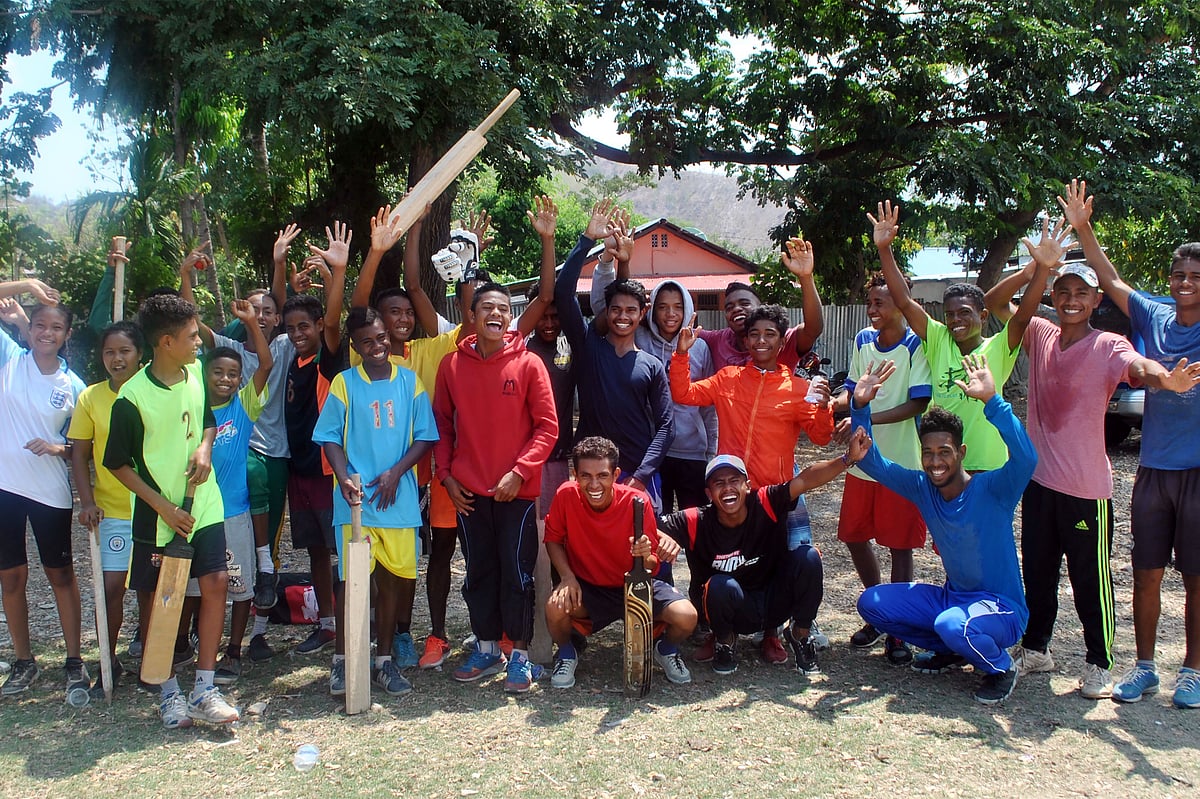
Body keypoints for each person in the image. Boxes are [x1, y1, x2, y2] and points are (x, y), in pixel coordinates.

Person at [985, 211, 1200, 699]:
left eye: (1082, 293)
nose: (1071, 300)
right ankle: (1037, 649)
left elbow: (1140, 367)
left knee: (1090, 579)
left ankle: (1099, 661)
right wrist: (1037, 268)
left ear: (1096, 300)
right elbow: (995, 303)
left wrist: (1167, 378)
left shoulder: (1109, 343)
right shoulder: (1038, 332)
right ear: (1053, 297)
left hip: (1087, 488)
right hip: (1039, 481)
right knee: (1036, 569)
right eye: (1063, 291)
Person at [1058, 179, 1200, 709]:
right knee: (1145, 573)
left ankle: (1192, 670)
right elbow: (1110, 277)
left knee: (1195, 578)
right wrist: (1082, 225)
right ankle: (1144, 668)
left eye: (1194, 277)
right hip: (1153, 468)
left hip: (1198, 472)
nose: (1185, 283)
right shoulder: (1154, 315)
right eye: (1178, 275)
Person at [352, 205, 502, 670]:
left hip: (432, 468)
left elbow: (434, 293)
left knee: (437, 551)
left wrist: (454, 247)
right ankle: (401, 633)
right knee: (397, 559)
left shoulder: (432, 348)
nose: (399, 318)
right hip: (381, 476)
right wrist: (412, 225)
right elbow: (389, 296)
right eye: (388, 313)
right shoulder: (360, 366)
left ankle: (464, 636)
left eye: (403, 313)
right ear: (373, 324)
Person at [852, 356, 1035, 706]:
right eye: (928, 453)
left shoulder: (994, 489)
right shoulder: (923, 487)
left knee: (955, 624)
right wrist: (861, 406)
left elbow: (1026, 459)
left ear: (961, 452)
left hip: (1002, 610)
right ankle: (955, 651)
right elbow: (871, 460)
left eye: (945, 452)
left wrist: (992, 402)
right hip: (954, 601)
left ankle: (1001, 667)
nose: (936, 462)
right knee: (872, 603)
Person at [670, 303, 833, 664]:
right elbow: (684, 394)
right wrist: (681, 355)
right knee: (714, 563)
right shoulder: (728, 378)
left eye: (769, 335)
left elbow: (822, 437)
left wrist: (823, 406)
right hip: (730, 493)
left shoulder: (798, 388)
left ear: (781, 342)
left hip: (774, 497)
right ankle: (720, 633)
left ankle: (772, 635)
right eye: (754, 334)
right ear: (746, 340)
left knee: (780, 563)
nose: (760, 341)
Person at [104, 293, 238, 728]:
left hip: (205, 503)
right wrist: (163, 507)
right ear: (165, 342)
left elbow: (207, 421)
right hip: (157, 516)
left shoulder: (196, 372)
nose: (199, 343)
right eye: (191, 336)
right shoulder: (132, 398)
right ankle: (167, 690)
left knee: (216, 582)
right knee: (161, 600)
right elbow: (118, 464)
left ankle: (205, 687)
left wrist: (204, 447)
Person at [658, 430, 869, 677]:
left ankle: (800, 635)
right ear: (708, 493)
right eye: (719, 483)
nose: (728, 489)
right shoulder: (695, 520)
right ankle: (725, 642)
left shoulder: (766, 502)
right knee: (719, 585)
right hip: (731, 607)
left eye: (734, 481)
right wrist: (660, 536)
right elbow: (647, 525)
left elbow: (806, 480)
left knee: (809, 557)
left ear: (747, 486)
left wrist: (847, 459)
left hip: (774, 603)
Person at [433, 282, 558, 693]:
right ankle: (487, 649)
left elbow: (547, 428)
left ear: (510, 317)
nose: (496, 314)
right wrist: (448, 476)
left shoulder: (529, 364)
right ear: (471, 315)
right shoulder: (451, 365)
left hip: (516, 493)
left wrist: (519, 472)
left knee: (518, 574)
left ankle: (519, 657)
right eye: (487, 307)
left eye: (504, 308)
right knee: (478, 572)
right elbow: (444, 427)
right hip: (468, 492)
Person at [314, 307, 438, 697]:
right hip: (356, 500)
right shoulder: (344, 384)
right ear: (355, 346)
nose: (377, 346)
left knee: (391, 583)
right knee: (352, 582)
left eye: (381, 337)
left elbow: (424, 436)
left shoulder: (411, 382)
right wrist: (342, 475)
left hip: (397, 501)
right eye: (367, 341)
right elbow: (330, 436)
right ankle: (343, 662)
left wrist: (397, 472)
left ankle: (383, 661)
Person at [182, 237, 293, 667]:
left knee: (255, 555)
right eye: (252, 309)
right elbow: (191, 326)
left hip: (273, 453)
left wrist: (276, 267)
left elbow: (264, 360)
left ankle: (252, 630)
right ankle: (189, 638)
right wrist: (186, 278)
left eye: (267, 312)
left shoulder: (277, 349)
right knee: (208, 570)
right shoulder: (221, 360)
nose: (260, 316)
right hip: (229, 473)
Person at [872, 201, 1020, 471]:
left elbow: (1022, 317)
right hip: (942, 467)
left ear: (983, 317)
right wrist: (884, 248)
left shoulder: (999, 347)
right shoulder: (939, 339)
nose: (956, 320)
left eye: (964, 313)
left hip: (987, 467)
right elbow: (904, 301)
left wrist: (1037, 268)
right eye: (950, 315)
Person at [832, 271, 931, 665]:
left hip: (899, 464)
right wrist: (838, 404)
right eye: (869, 302)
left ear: (901, 301)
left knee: (899, 545)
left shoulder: (915, 346)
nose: (872, 309)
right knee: (854, 536)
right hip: (861, 463)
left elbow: (918, 403)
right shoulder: (861, 341)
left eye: (880, 302)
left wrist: (866, 415)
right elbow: (852, 387)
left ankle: (898, 630)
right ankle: (879, 610)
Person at [543, 437, 698, 689]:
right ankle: (567, 652)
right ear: (575, 474)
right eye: (585, 476)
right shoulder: (565, 495)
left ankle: (666, 649)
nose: (594, 484)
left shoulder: (637, 501)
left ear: (615, 474)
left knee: (686, 616)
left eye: (602, 475)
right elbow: (553, 539)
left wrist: (645, 554)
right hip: (590, 587)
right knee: (555, 606)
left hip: (634, 586)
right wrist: (567, 577)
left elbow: (651, 566)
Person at [555, 200, 674, 513]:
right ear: (606, 312)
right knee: (590, 554)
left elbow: (665, 426)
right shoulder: (588, 347)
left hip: (637, 475)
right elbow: (563, 292)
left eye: (631, 310)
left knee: (645, 557)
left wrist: (642, 476)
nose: (623, 316)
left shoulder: (651, 365)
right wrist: (587, 240)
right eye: (616, 310)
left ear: (642, 314)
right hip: (592, 476)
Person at [0, 278, 88, 699]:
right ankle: (24, 662)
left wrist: (58, 447)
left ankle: (75, 660)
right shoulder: (10, 359)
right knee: (12, 577)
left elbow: (86, 448)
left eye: (56, 328)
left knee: (60, 575)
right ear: (27, 328)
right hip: (5, 488)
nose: (46, 333)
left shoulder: (75, 388)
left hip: (50, 494)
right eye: (39, 325)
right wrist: (27, 285)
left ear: (67, 335)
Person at [280, 222, 351, 670]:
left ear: (319, 327)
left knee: (339, 550)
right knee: (314, 552)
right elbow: (284, 307)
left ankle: (349, 627)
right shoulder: (291, 357)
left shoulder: (328, 356)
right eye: (291, 327)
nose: (296, 332)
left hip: (326, 471)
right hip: (298, 472)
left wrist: (336, 273)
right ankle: (326, 622)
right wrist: (284, 271)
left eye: (304, 326)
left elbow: (334, 316)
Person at [196, 298, 274, 686]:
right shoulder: (192, 407)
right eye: (218, 372)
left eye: (232, 374)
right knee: (197, 586)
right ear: (204, 373)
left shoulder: (243, 408)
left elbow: (266, 364)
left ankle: (234, 650)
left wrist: (251, 324)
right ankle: (194, 647)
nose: (225, 379)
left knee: (239, 586)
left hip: (234, 513)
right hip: (195, 514)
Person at [69, 317, 144, 692]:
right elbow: (80, 454)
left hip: (153, 509)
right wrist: (86, 502)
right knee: (111, 588)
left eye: (124, 351)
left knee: (151, 587)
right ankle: (107, 661)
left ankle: (157, 658)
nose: (117, 359)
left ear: (140, 355)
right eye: (109, 352)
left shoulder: (153, 390)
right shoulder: (91, 398)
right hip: (112, 511)